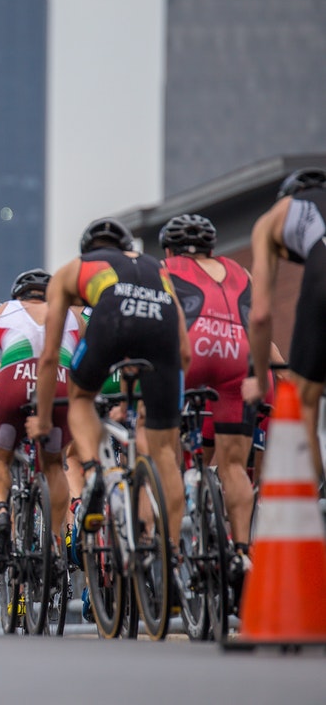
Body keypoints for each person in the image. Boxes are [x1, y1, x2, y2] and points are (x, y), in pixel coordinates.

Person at [26, 218, 190, 554]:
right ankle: (169, 554)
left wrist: (43, 419)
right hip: (162, 333)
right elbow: (185, 350)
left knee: (81, 398)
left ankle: (97, 470)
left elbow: (49, 357)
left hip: (112, 319)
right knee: (162, 455)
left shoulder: (75, 268)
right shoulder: (154, 268)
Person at [0, 269, 78, 604]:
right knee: (54, 465)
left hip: (14, 383)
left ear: (17, 295)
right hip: (60, 385)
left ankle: (3, 511)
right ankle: (53, 540)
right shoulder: (72, 315)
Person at [159, 214, 257, 565]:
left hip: (192, 353)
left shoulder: (164, 269)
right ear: (212, 248)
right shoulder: (241, 272)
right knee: (233, 464)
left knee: (163, 449)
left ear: (169, 249)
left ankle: (171, 547)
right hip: (239, 356)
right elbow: (258, 320)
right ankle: (242, 551)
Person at [243, 168, 326, 486]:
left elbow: (261, 314)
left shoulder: (275, 216)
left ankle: (317, 500)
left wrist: (260, 378)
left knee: (305, 402)